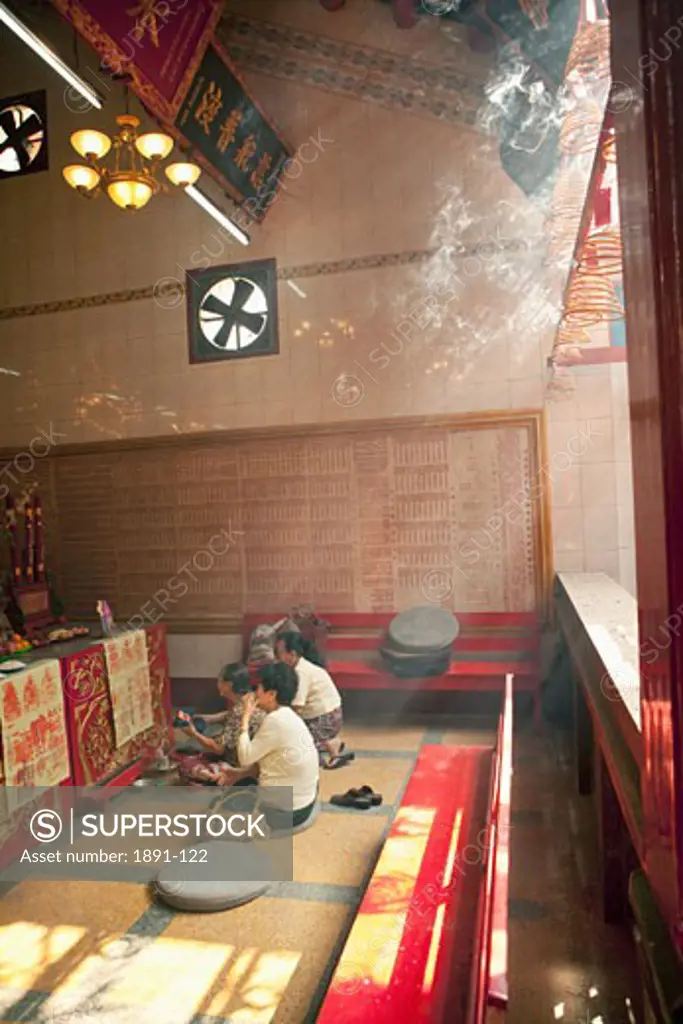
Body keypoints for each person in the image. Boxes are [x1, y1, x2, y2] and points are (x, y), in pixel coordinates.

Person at [236, 662, 319, 830]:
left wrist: (245, 717)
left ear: (271, 694)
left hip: (286, 814)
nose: (255, 693)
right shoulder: (289, 716)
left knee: (232, 797)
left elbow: (244, 758)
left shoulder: (275, 721)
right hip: (306, 801)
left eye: (258, 688)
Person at [175, 663, 265, 784]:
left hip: (240, 766)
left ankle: (219, 777)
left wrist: (194, 734)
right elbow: (228, 714)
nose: (217, 683)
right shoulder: (252, 699)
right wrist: (204, 718)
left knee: (187, 764)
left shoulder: (239, 712)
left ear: (229, 685)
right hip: (257, 762)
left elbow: (219, 749)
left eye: (219, 680)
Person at [275, 631, 352, 769]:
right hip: (326, 716)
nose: (277, 657)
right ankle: (330, 746)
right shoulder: (300, 667)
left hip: (326, 719)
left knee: (296, 743)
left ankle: (330, 744)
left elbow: (297, 707)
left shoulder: (301, 672)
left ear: (292, 654)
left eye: (280, 653)